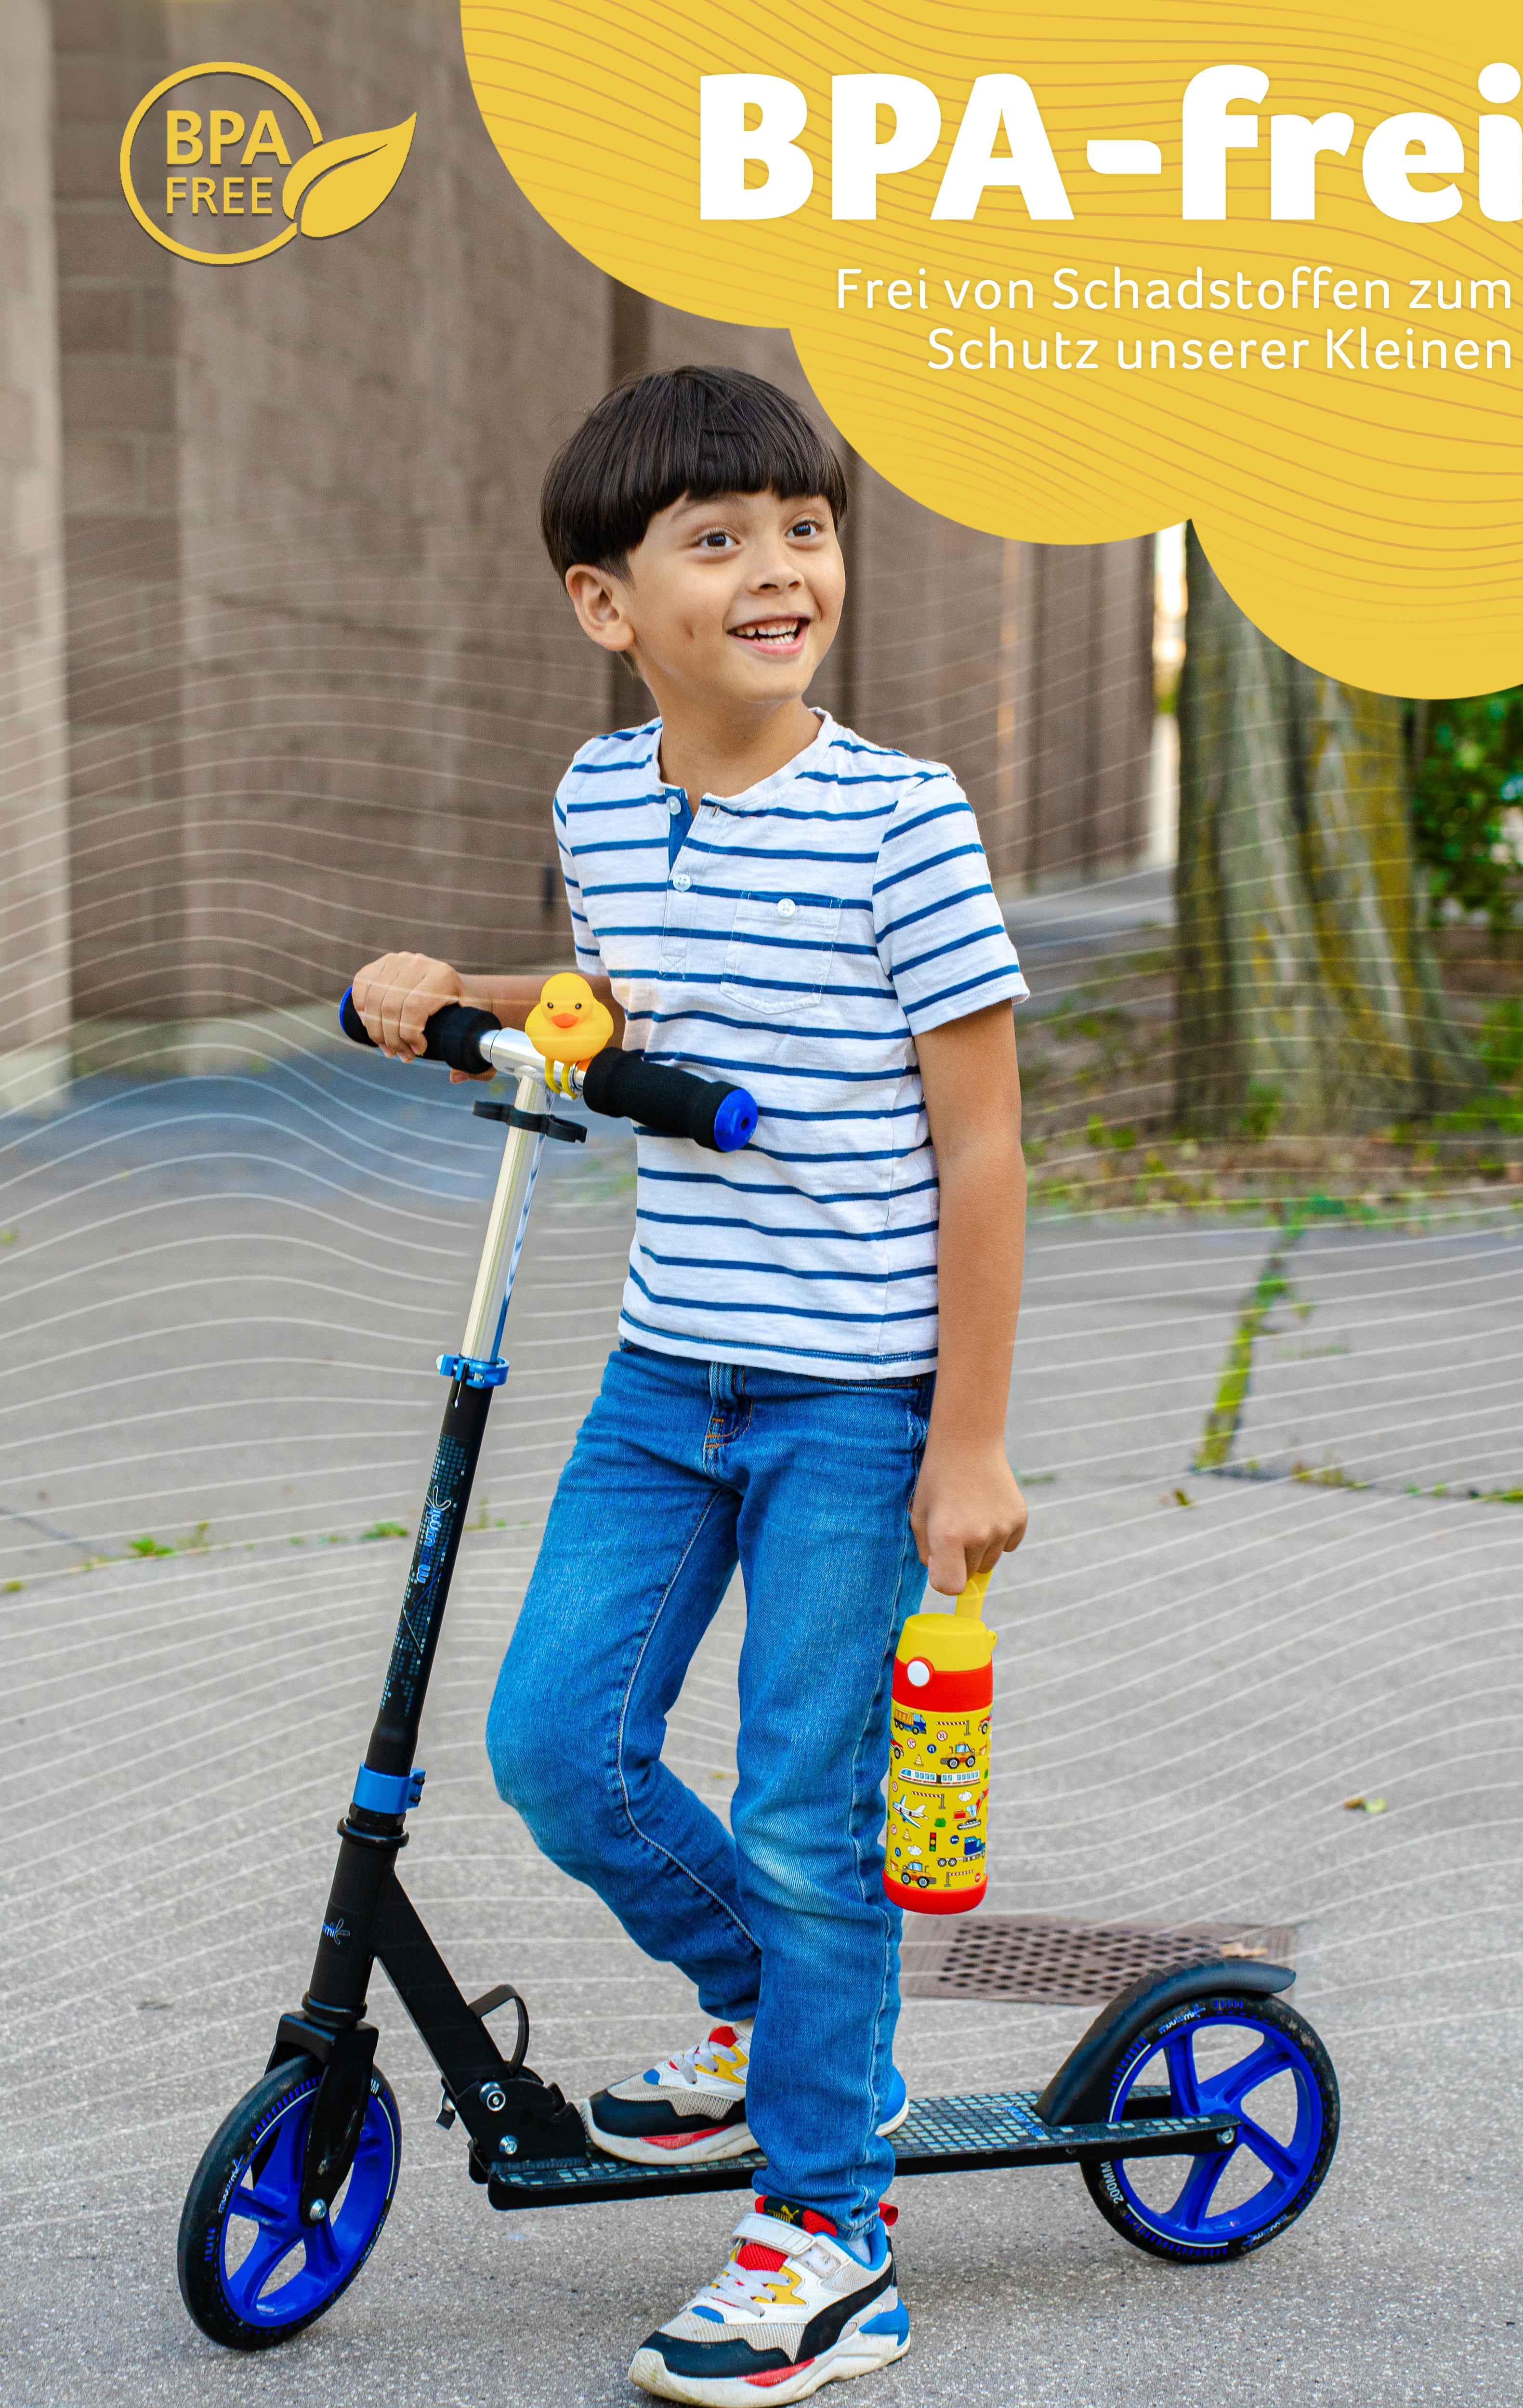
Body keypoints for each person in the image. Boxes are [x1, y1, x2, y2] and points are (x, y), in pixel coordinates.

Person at [351, 365, 1028, 2405]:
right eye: (717, 538)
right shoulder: (601, 793)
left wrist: (970, 1440)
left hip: (855, 1400)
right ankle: (761, 2012)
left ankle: (833, 2236)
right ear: (607, 602)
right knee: (561, 1742)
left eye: (802, 528)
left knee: (814, 1814)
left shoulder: (902, 818)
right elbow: (614, 1002)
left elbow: (986, 1140)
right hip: (672, 1371)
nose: (776, 567)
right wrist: (456, 996)